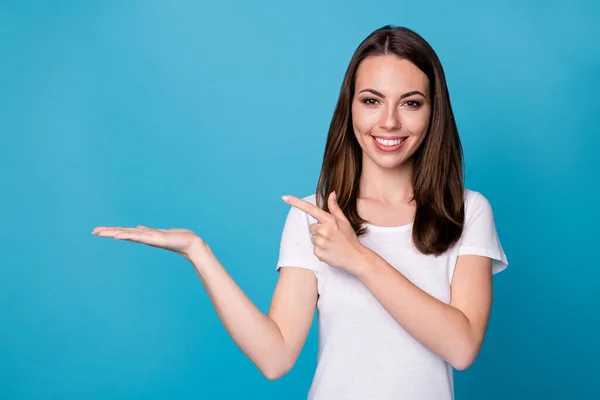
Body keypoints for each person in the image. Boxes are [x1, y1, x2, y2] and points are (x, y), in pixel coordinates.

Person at [92, 25, 508, 400]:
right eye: (371, 100)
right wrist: (197, 252)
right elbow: (275, 358)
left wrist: (359, 260)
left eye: (411, 103)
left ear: (433, 113)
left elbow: (462, 345)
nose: (389, 121)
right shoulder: (313, 219)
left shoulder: (467, 212)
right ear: (350, 109)